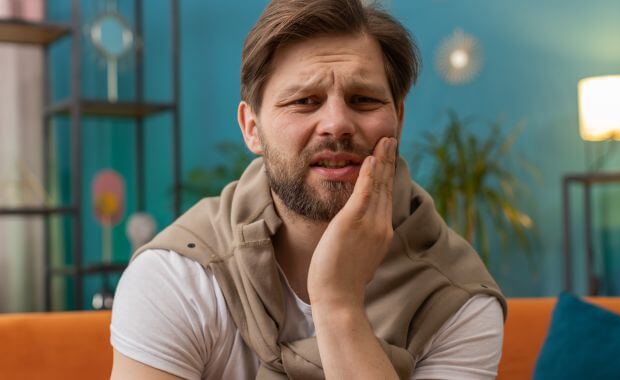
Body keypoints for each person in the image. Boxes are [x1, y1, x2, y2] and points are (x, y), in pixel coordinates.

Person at [110, 0, 506, 379]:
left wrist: (337, 303)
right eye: (304, 101)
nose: (336, 123)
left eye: (363, 100)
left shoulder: (457, 299)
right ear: (252, 128)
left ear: (398, 118)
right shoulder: (180, 276)